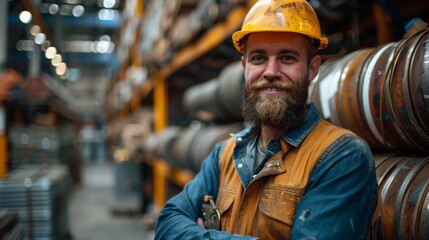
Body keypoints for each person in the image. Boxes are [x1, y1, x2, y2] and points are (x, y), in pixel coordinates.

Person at [155, 0, 379, 239]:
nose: (270, 72)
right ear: (245, 66)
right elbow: (167, 223)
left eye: (287, 58)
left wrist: (204, 235)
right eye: (259, 58)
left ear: (313, 68)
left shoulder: (342, 157)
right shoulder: (225, 155)